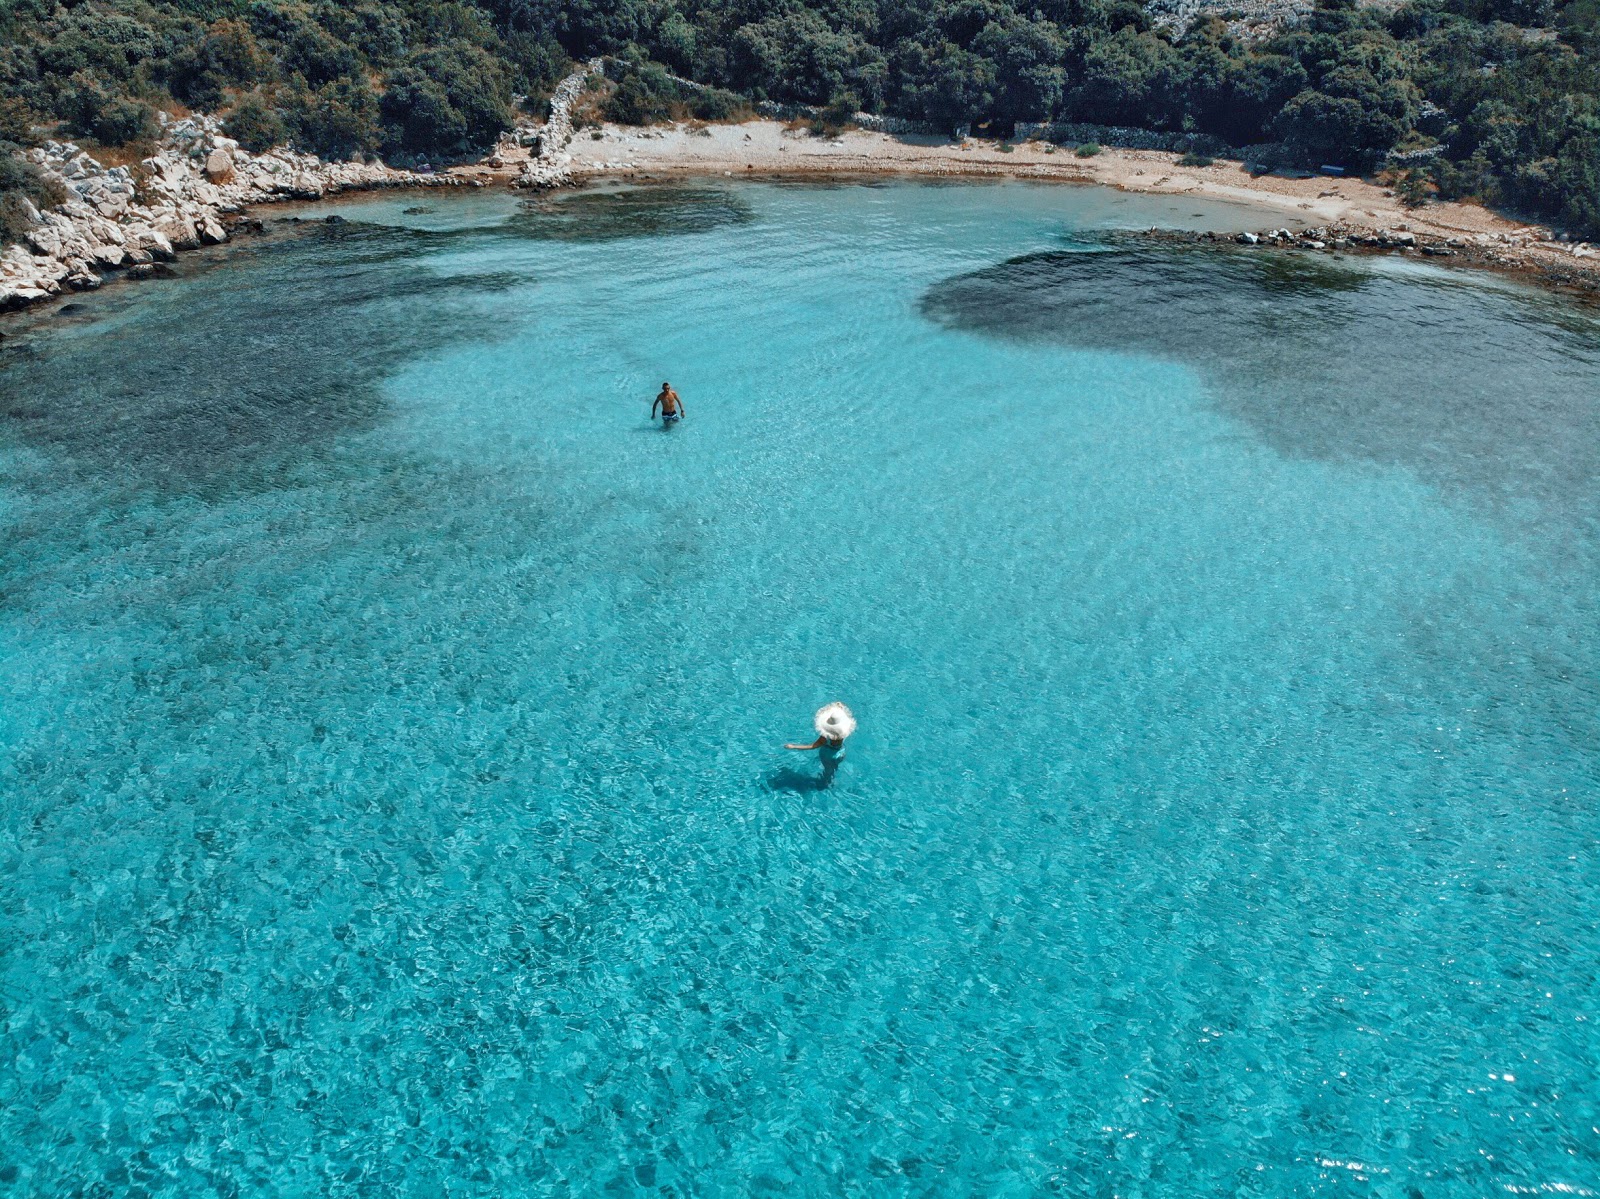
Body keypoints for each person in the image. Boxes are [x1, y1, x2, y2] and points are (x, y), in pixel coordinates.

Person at [786, 702, 856, 787]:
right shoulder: (844, 730)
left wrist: (793, 746)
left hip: (828, 755)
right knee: (834, 768)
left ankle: (826, 783)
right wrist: (839, 708)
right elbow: (837, 718)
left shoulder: (825, 737)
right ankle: (831, 777)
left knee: (828, 771)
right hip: (840, 753)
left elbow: (812, 746)